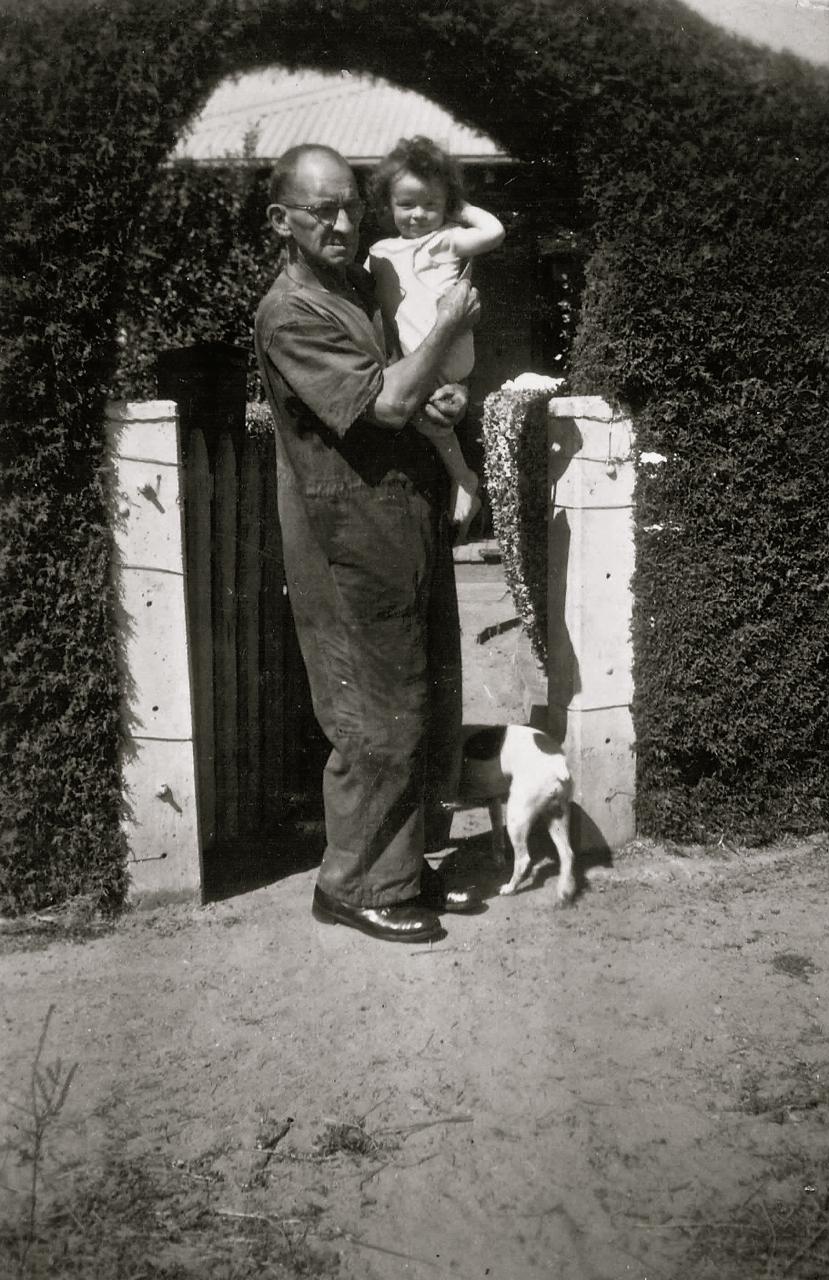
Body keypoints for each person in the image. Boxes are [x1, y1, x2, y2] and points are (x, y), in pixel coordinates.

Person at [254, 143, 483, 943]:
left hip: (395, 523)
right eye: (324, 211)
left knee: (417, 699)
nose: (345, 222)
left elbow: (407, 391)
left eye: (353, 205)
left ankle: (402, 867)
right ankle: (352, 885)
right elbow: (382, 406)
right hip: (344, 537)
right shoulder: (292, 312)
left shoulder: (353, 292)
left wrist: (441, 393)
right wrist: (448, 324)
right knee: (373, 715)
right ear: (282, 220)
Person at [366, 136, 506, 539]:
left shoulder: (444, 240)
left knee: (429, 419)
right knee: (423, 420)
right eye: (406, 204)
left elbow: (494, 231)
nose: (418, 214)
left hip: (446, 354)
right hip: (411, 356)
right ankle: (460, 480)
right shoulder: (378, 251)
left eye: (430, 204)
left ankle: (464, 479)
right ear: (388, 205)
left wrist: (457, 207)